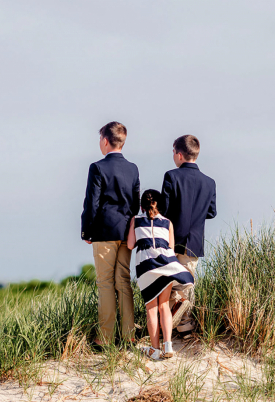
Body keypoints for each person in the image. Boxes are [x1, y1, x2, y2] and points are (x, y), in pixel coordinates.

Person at [81, 121, 140, 346]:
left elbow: (92, 203)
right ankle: (129, 335)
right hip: (127, 232)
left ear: (105, 141)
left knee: (105, 283)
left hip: (104, 231)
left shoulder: (97, 167)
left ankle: (105, 338)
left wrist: (87, 230)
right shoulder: (133, 168)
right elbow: (135, 204)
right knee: (123, 282)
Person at [128, 189, 195, 360]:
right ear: (159, 204)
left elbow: (130, 245)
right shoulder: (167, 223)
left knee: (151, 309)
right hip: (165, 265)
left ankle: (155, 349)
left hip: (146, 268)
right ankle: (168, 346)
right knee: (164, 305)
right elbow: (171, 248)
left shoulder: (135, 220)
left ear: (142, 205)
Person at [161, 135, 217, 337]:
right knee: (188, 282)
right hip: (194, 241)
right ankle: (185, 325)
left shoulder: (171, 176)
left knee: (167, 282)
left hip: (172, 239)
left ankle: (165, 326)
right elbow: (211, 212)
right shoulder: (209, 182)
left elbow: (164, 210)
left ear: (179, 153)